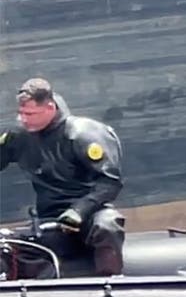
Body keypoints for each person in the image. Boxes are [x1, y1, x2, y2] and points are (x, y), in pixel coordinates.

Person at [0, 78, 126, 277]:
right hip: (50, 219)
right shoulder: (19, 138)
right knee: (8, 246)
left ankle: (111, 282)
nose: (23, 119)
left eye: (30, 114)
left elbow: (110, 182)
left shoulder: (83, 134)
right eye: (21, 113)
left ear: (50, 107)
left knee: (107, 226)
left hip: (89, 213)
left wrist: (79, 211)